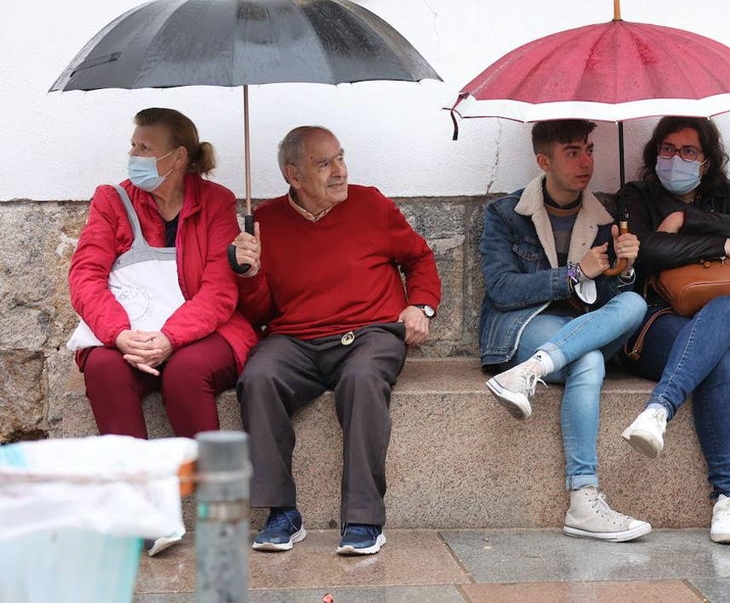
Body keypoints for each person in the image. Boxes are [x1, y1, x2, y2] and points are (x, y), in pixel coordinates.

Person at [231, 126, 442, 556]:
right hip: (296, 340)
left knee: (364, 379)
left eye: (340, 158)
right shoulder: (265, 222)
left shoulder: (372, 204)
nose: (339, 171)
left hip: (370, 333)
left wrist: (421, 306)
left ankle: (364, 519)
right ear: (294, 175)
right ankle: (280, 513)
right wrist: (249, 273)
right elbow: (260, 314)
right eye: (324, 164)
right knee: (259, 377)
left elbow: (419, 257)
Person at [68, 107, 257, 555]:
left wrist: (170, 338)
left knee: (185, 371)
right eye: (133, 144)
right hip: (132, 331)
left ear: (176, 157)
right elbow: (85, 276)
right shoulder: (112, 199)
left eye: (143, 147)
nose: (132, 154)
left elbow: (219, 289)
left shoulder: (216, 202)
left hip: (205, 332)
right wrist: (118, 334)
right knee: (102, 368)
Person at [479, 119, 651, 542]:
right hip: (521, 328)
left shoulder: (605, 217)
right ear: (544, 161)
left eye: (589, 149)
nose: (586, 161)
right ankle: (583, 496)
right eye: (573, 152)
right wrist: (574, 273)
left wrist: (624, 270)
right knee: (588, 358)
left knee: (635, 302)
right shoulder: (505, 214)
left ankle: (531, 372)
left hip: (575, 331)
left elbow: (606, 298)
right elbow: (501, 289)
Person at [616, 116, 730, 545]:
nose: (675, 158)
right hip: (662, 322)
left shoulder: (726, 192)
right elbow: (645, 252)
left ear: (705, 162)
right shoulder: (637, 195)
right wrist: (723, 245)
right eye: (667, 149)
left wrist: (688, 220)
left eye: (688, 151)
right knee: (715, 356)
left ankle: (660, 407)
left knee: (721, 312)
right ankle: (727, 498)